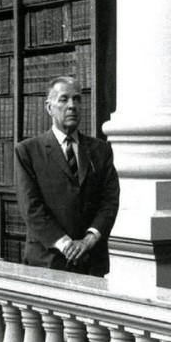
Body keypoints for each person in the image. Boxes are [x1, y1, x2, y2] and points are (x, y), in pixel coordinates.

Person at [15, 76, 120, 276]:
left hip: (91, 260)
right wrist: (67, 245)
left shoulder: (101, 150)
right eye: (64, 99)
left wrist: (89, 240)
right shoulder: (27, 151)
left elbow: (110, 201)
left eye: (77, 99)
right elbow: (31, 208)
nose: (72, 105)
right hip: (48, 260)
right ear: (49, 107)